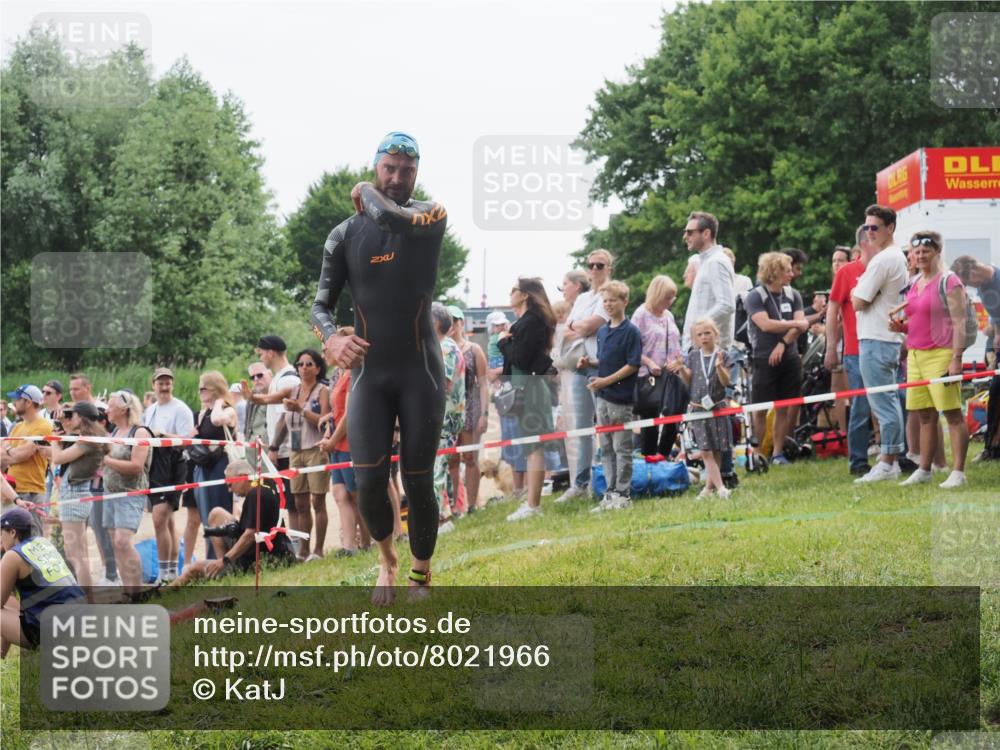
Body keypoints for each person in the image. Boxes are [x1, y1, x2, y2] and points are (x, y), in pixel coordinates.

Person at [312, 131, 448, 605]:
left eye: (406, 171)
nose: (396, 178)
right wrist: (331, 338)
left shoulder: (430, 216)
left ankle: (421, 575)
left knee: (417, 479)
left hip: (421, 373)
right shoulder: (344, 235)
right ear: (376, 168)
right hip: (370, 375)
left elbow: (392, 217)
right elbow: (320, 306)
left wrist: (363, 192)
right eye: (388, 169)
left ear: (417, 175)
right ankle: (386, 559)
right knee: (368, 480)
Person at [891, 232, 971, 489]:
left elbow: (960, 322)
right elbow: (916, 319)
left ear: (937, 251)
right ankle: (924, 469)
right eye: (916, 252)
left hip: (941, 353)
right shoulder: (914, 282)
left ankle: (958, 471)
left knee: (952, 414)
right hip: (915, 355)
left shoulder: (949, 281)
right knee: (924, 416)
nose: (921, 255)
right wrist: (901, 329)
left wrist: (956, 358)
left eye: (926, 251)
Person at [246, 349, 330, 560]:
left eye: (309, 364)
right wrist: (251, 397)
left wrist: (301, 410)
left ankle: (318, 550)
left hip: (315, 449)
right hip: (295, 451)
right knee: (299, 503)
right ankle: (303, 550)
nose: (303, 368)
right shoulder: (292, 390)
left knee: (318, 502)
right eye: (300, 364)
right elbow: (266, 400)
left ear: (318, 368)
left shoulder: (322, 391)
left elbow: (324, 420)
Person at [851, 205, 909, 483]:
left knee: (883, 403)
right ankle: (891, 459)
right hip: (884, 338)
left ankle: (887, 462)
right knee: (888, 402)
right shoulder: (894, 257)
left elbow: (858, 301)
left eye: (875, 227)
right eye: (867, 227)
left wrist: (857, 290)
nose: (869, 232)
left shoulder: (885, 259)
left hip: (877, 339)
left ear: (890, 228)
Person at [168, 461, 293, 587]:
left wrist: (225, 560)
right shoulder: (262, 488)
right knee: (216, 514)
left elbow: (250, 535)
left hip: (259, 561)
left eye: (230, 484)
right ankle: (221, 569)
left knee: (193, 568)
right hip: (268, 553)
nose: (229, 489)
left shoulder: (256, 496)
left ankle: (163, 593)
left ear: (243, 476)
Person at [680, 212, 737, 486]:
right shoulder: (704, 263)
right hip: (699, 350)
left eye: (691, 232)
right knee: (704, 415)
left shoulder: (716, 262)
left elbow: (727, 304)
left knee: (714, 414)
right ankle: (716, 478)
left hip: (713, 351)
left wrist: (700, 332)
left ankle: (724, 476)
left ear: (706, 233)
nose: (686, 237)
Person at [555, 250, 613, 502]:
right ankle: (580, 483)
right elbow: (570, 329)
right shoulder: (583, 299)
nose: (595, 269)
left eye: (600, 265)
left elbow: (590, 325)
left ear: (608, 267)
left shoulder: (611, 294)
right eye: (591, 265)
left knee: (606, 423)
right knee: (580, 426)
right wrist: (580, 327)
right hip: (579, 366)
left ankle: (609, 480)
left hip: (602, 364)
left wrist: (578, 327)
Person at [500, 278, 557, 521]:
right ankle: (531, 501)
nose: (510, 293)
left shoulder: (531, 321)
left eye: (513, 289)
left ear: (524, 295)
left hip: (531, 388)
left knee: (534, 447)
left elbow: (521, 358)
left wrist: (503, 342)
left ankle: (533, 505)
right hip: (524, 387)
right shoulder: (524, 322)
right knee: (529, 447)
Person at [581, 280, 641, 511]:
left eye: (612, 300)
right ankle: (610, 491)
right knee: (605, 447)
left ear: (624, 301)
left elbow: (632, 365)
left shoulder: (631, 331)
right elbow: (605, 361)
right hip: (602, 398)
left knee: (621, 447)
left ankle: (623, 494)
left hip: (620, 399)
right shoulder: (603, 331)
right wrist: (590, 363)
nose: (608, 305)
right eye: (604, 301)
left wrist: (606, 380)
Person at [744, 252, 808, 466]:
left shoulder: (793, 294)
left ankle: (778, 453)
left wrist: (782, 343)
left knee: (784, 407)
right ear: (775, 271)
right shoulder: (755, 296)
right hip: (763, 358)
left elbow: (801, 325)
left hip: (789, 357)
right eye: (787, 270)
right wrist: (793, 325)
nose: (792, 273)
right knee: (760, 409)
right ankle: (758, 454)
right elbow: (765, 324)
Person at [37, 401, 109, 590]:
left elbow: (59, 457)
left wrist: (53, 440)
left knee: (76, 556)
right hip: (77, 495)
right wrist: (60, 429)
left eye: (73, 414)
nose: (69, 417)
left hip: (74, 497)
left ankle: (87, 601)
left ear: (82, 417)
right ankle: (88, 600)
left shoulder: (87, 441)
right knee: (80, 554)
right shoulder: (89, 438)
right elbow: (63, 449)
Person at [1, 508, 84, 658]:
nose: (0, 539)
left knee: (7, 604)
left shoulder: (12, 556)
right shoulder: (43, 542)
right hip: (82, 622)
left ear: (12, 532)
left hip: (56, 632)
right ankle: (1, 658)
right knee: (12, 602)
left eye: (1, 533)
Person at [826, 234, 875, 476]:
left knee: (894, 401)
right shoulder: (847, 272)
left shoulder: (887, 267)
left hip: (885, 347)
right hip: (855, 351)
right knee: (860, 405)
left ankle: (896, 456)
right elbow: (832, 309)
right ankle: (858, 461)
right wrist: (830, 347)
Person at [669, 319, 733, 499]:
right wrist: (681, 369)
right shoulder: (692, 357)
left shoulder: (723, 355)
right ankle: (721, 489)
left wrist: (719, 367)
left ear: (716, 334)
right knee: (705, 450)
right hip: (698, 408)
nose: (704, 337)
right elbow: (689, 380)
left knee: (717, 448)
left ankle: (708, 489)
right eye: (700, 334)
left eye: (707, 333)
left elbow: (726, 381)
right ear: (695, 338)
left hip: (717, 407)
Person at [142, 367, 194, 583]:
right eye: (160, 383)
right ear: (153, 385)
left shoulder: (181, 409)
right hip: (155, 465)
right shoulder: (151, 409)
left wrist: (163, 435)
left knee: (159, 519)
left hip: (174, 463)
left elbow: (187, 440)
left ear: (172, 384)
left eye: (168, 383)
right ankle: (171, 569)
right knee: (168, 521)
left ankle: (164, 573)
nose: (164, 387)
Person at [319, 348, 370, 557]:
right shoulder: (339, 375)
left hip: (350, 444)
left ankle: (367, 542)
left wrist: (332, 440)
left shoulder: (353, 374)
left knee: (356, 496)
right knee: (340, 494)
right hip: (337, 443)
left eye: (327, 350)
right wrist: (328, 434)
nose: (324, 354)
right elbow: (337, 412)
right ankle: (349, 546)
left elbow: (350, 415)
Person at [102, 391, 152, 594]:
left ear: (123, 409)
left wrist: (105, 460)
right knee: (117, 544)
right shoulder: (113, 433)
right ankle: (127, 592)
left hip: (131, 493)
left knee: (123, 541)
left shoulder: (139, 433)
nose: (107, 410)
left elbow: (136, 466)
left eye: (111, 406)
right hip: (110, 493)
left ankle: (137, 591)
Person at [68, 373, 116, 585]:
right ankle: (92, 575)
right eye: (71, 389)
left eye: (76, 389)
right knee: (81, 536)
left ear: (88, 388)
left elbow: (108, 441)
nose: (73, 393)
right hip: (78, 478)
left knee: (102, 528)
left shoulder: (100, 410)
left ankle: (111, 572)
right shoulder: (73, 412)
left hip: (100, 479)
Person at [951, 255, 1000, 461]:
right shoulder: (983, 286)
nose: (971, 287)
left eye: (969, 283)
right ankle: (993, 447)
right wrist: (997, 333)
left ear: (974, 271)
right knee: (996, 391)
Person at [630, 275, 682, 457]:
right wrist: (650, 362)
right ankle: (649, 457)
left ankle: (663, 455)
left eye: (672, 298)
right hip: (649, 375)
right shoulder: (641, 314)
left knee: (673, 417)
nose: (670, 302)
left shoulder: (669, 316)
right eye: (667, 297)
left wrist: (678, 362)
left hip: (671, 373)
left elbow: (676, 343)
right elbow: (631, 347)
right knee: (650, 419)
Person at [190, 371, 238, 559]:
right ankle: (212, 556)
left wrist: (218, 402)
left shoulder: (227, 409)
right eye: (199, 388)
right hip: (203, 466)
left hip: (221, 465)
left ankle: (226, 555)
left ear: (215, 389)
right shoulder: (203, 413)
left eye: (204, 388)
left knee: (219, 510)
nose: (200, 391)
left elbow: (218, 421)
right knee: (205, 514)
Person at [447, 305, 489, 515]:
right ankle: (457, 506)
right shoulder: (441, 349)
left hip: (470, 408)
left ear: (461, 323)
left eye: (455, 321)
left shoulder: (473, 349)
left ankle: (472, 505)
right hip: (449, 411)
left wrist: (484, 413)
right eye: (448, 321)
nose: (452, 325)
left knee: (470, 457)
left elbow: (483, 382)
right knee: (451, 460)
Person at [1, 385, 53, 536]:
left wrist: (9, 450)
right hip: (11, 491)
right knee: (10, 539)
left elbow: (22, 455)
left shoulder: (43, 426)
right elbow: (2, 457)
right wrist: (11, 454)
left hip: (32, 491)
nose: (14, 402)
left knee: (33, 539)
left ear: (28, 402)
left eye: (17, 399)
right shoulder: (16, 427)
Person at [432, 303, 466, 526]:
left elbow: (441, 383)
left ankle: (439, 519)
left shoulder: (445, 347)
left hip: (443, 420)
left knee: (436, 471)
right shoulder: (443, 345)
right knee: (437, 469)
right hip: (441, 419)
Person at [256, 335, 299, 503]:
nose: (260, 358)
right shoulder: (278, 377)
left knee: (295, 504)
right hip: (282, 449)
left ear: (270, 353)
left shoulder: (287, 378)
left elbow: (286, 417)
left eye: (261, 354)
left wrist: (274, 447)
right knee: (289, 505)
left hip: (286, 450)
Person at [243, 362, 271, 469]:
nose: (256, 379)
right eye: (252, 377)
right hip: (253, 455)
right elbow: (248, 426)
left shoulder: (277, 394)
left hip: (271, 454)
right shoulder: (251, 398)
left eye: (260, 375)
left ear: (270, 375)